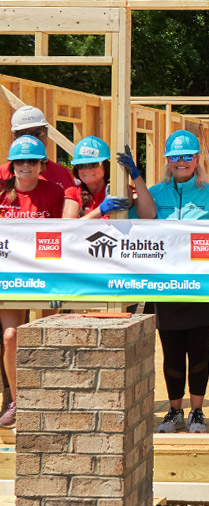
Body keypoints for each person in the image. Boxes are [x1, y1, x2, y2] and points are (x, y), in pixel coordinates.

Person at [146, 130, 209, 434]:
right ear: (167, 160)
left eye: (188, 156)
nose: (181, 162)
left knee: (199, 352)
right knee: (172, 352)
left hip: (201, 285)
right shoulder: (155, 193)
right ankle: (174, 412)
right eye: (175, 156)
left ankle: (197, 412)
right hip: (166, 286)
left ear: (197, 159)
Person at [0, 135, 65, 427]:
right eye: (20, 161)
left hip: (46, 275)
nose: (26, 166)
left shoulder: (54, 191)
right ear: (12, 165)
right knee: (11, 337)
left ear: (42, 165)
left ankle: (49, 398)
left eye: (32, 161)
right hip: (9, 277)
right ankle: (17, 402)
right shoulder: (2, 191)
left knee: (47, 337)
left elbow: (67, 232)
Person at [61, 137, 155, 219]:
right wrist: (100, 211)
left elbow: (149, 214)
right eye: (81, 166)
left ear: (105, 166)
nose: (87, 170)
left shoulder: (119, 189)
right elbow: (69, 229)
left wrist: (135, 176)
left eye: (93, 164)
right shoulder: (72, 193)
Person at [0, 106, 75, 191]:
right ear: (15, 138)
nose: (33, 139)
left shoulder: (62, 173)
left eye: (38, 133)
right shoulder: (2, 174)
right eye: (26, 134)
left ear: (46, 134)